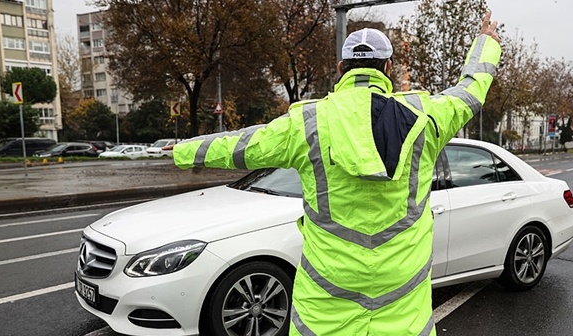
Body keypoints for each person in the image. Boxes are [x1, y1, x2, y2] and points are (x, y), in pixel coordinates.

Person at [173, 11, 501, 336]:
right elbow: (471, 91)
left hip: (325, 306)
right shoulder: (426, 117)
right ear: (388, 68)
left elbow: (239, 146)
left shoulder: (307, 123)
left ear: (342, 68)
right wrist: (486, 43)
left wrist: (180, 150)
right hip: (403, 303)